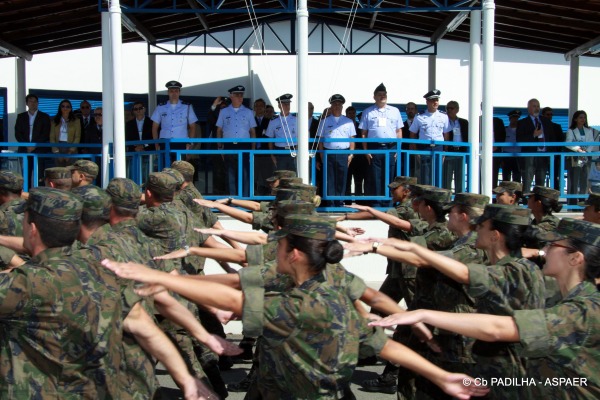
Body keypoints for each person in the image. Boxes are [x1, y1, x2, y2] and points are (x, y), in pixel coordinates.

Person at [104, 215, 489, 400]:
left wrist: (165, 279)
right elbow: (382, 345)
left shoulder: (302, 304)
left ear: (295, 254)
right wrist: (439, 375)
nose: (276, 250)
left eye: (282, 245)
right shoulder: (331, 294)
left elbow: (236, 300)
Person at [371, 218, 600, 399]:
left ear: (576, 258)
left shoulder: (584, 309)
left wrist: (422, 314)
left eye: (553, 245)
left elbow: (499, 328)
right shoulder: (559, 293)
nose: (545, 250)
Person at [359, 83, 403, 207]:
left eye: (384, 94)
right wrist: (365, 151)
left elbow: (399, 131)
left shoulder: (395, 111)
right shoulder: (368, 112)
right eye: (379, 95)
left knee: (389, 175)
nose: (382, 97)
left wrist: (398, 150)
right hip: (375, 147)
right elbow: (364, 133)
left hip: (391, 147)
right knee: (375, 176)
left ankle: (388, 202)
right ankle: (376, 202)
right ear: (374, 97)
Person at [216, 85, 257, 197]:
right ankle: (232, 199)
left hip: (244, 146)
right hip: (229, 145)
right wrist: (220, 148)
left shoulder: (248, 112)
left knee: (245, 173)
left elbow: (252, 131)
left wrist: (253, 149)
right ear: (231, 96)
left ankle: (245, 199)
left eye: (241, 95)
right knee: (230, 174)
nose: (240, 97)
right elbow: (219, 130)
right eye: (237, 95)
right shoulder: (224, 111)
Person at [317, 94, 356, 207]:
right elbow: (320, 140)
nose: (337, 106)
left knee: (342, 178)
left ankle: (339, 202)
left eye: (339, 104)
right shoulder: (324, 121)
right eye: (335, 104)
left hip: (343, 153)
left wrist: (351, 154)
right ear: (331, 106)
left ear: (342, 106)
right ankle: (330, 202)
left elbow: (352, 139)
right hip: (328, 152)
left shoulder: (348, 121)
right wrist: (321, 155)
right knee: (329, 179)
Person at [409, 89, 451, 186]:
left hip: (438, 147)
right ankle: (426, 197)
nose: (435, 102)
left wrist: (445, 150)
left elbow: (446, 134)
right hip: (424, 147)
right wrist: (416, 151)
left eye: (437, 100)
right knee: (425, 174)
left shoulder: (444, 116)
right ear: (427, 101)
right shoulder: (419, 116)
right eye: (433, 100)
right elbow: (412, 134)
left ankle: (436, 197)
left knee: (438, 173)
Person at [151, 80, 198, 160]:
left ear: (179, 92)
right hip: (165, 141)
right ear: (168, 92)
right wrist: (156, 143)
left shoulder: (187, 106)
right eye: (171, 91)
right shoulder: (161, 107)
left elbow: (193, 126)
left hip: (181, 141)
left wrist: (190, 143)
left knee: (179, 169)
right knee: (165, 169)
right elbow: (154, 127)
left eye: (176, 91)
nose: (174, 93)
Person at [516, 98, 556, 191]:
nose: (537, 108)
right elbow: (519, 139)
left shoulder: (546, 121)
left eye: (538, 106)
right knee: (527, 182)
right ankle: (526, 203)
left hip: (543, 155)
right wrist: (533, 135)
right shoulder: (522, 122)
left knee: (540, 183)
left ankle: (538, 203)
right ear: (528, 108)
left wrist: (551, 154)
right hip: (529, 156)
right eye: (534, 106)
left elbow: (552, 138)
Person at [14, 93, 51, 187]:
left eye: (35, 101)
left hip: (39, 150)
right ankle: (26, 196)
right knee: (25, 176)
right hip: (24, 150)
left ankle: (39, 196)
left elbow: (46, 133)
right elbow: (18, 133)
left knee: (39, 175)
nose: (33, 103)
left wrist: (34, 145)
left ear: (38, 103)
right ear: (27, 103)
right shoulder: (21, 116)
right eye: (30, 101)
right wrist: (27, 145)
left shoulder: (44, 117)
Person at [566, 110, 599, 205]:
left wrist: (586, 152)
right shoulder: (571, 130)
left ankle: (582, 200)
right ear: (575, 119)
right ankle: (572, 202)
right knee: (574, 180)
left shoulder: (588, 130)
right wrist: (578, 150)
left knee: (584, 179)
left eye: (584, 117)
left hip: (586, 157)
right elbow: (568, 143)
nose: (583, 119)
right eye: (580, 117)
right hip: (575, 158)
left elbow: (591, 142)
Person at [265, 93, 298, 173]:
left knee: (293, 177)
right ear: (279, 106)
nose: (287, 106)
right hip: (279, 152)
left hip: (293, 150)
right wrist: (272, 155)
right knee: (280, 176)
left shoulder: (296, 119)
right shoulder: (274, 121)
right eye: (284, 104)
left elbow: (300, 136)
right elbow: (270, 138)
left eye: (288, 104)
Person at [442, 101, 469, 193]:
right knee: (447, 178)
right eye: (447, 108)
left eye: (451, 108)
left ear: (457, 110)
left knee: (460, 178)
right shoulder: (443, 121)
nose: (449, 110)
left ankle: (459, 199)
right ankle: (447, 199)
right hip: (448, 152)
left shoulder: (464, 122)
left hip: (460, 152)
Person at [50, 99, 81, 167]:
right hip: (58, 147)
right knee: (58, 172)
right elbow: (52, 137)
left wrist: (70, 152)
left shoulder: (76, 121)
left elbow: (77, 137)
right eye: (63, 106)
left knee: (71, 171)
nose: (65, 108)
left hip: (71, 147)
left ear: (70, 108)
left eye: (67, 106)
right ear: (60, 108)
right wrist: (57, 152)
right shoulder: (54, 120)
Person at [541, 106, 566, 190]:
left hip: (554, 155)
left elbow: (561, 141)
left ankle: (555, 194)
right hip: (541, 155)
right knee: (540, 175)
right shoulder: (538, 126)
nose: (550, 116)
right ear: (543, 115)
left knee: (554, 176)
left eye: (551, 114)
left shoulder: (557, 126)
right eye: (548, 114)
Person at [253, 98, 274, 196]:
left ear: (264, 108)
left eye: (261, 106)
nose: (259, 108)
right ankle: (253, 197)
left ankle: (267, 198)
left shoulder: (270, 121)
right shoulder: (251, 120)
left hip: (266, 153)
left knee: (267, 176)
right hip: (254, 152)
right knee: (254, 176)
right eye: (257, 106)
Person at [502, 109, 522, 182]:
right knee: (506, 176)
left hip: (518, 156)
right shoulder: (504, 130)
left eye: (517, 118)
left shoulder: (521, 130)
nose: (515, 120)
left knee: (517, 176)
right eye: (514, 118)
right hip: (507, 155)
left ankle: (517, 193)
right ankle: (505, 193)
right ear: (510, 119)